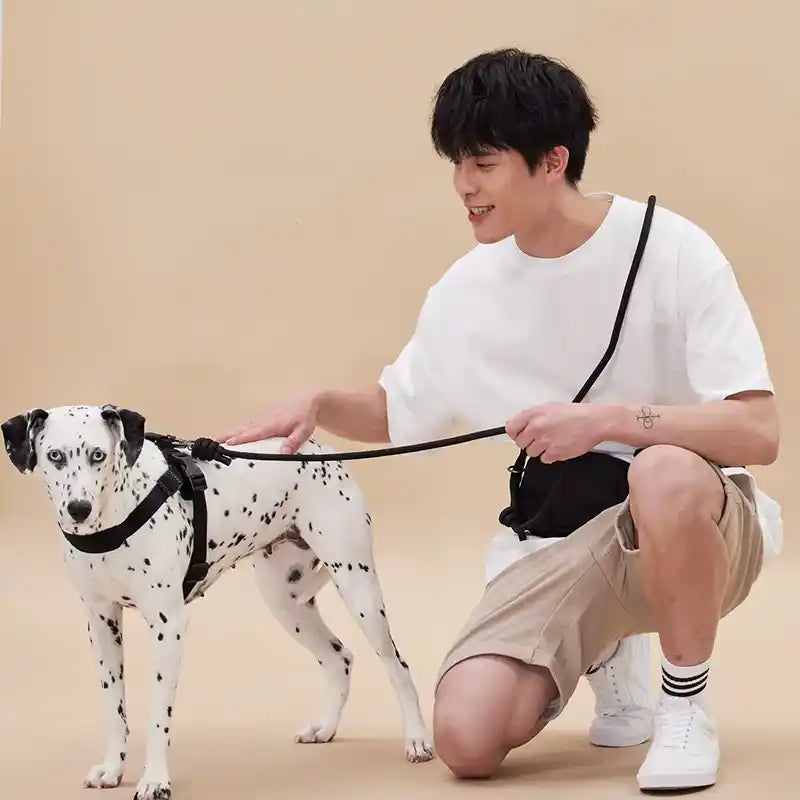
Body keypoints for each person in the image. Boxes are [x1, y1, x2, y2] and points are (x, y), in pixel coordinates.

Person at [217, 49, 783, 792]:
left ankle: (684, 708)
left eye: (482, 163)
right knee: (466, 738)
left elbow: (758, 431)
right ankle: (609, 652)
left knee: (664, 470)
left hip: (699, 525)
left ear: (553, 161)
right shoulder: (468, 289)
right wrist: (320, 403)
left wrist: (611, 419)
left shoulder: (672, 249)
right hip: (556, 537)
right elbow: (401, 408)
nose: (464, 186)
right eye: (456, 164)